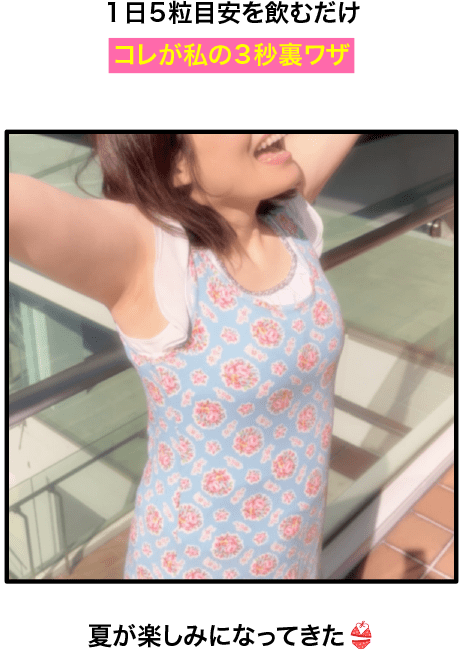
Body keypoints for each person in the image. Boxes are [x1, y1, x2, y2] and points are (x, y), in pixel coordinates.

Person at [9, 133, 360, 579]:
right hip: (194, 565)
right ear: (176, 164)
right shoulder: (155, 254)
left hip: (295, 550)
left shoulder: (287, 218)